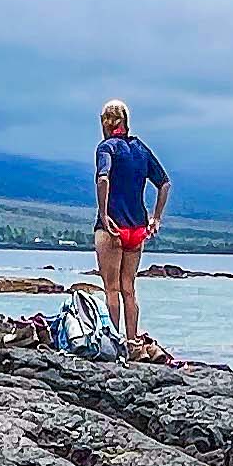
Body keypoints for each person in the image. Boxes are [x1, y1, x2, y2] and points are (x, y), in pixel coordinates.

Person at [91, 100, 171, 349]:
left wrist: (104, 215)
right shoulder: (141, 149)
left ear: (105, 121)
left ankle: (114, 342)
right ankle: (132, 339)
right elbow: (164, 183)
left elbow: (103, 178)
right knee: (129, 288)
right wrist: (156, 218)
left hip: (112, 227)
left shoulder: (106, 148)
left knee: (111, 289)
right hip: (137, 228)